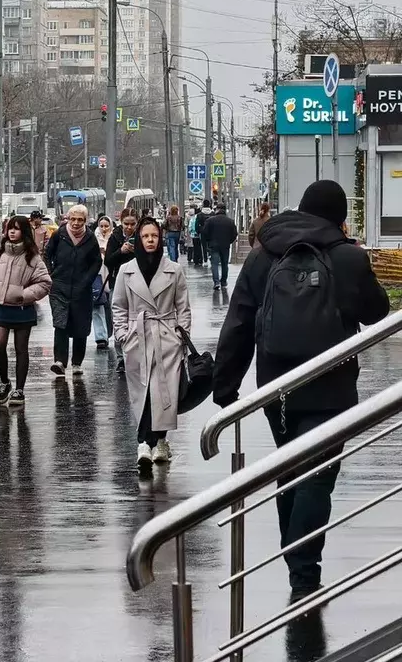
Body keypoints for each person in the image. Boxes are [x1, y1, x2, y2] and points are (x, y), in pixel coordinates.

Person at [212, 179, 390, 601]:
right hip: (332, 385)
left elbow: (239, 319)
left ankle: (294, 556)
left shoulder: (264, 252)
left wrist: (225, 384)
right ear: (339, 217)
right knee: (318, 477)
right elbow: (378, 310)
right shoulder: (347, 257)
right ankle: (304, 575)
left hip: (277, 387)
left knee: (290, 469)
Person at [112, 217, 192, 471]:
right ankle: (149, 443)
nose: (150, 241)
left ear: (160, 239)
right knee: (143, 392)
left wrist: (181, 336)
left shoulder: (174, 269)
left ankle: (154, 443)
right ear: (138, 239)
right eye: (145, 236)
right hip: (138, 337)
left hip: (167, 337)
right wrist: (123, 335)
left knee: (164, 394)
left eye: (154, 236)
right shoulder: (127, 271)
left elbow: (183, 307)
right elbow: (119, 306)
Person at [0, 215, 52, 406]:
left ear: (24, 232)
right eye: (9, 228)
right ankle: (5, 382)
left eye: (17, 228)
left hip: (22, 309)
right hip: (0, 307)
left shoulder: (33, 257)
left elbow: (45, 283)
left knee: (21, 349)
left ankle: (20, 389)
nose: (12, 232)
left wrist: (24, 294)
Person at [44, 204, 101, 378]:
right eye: (73, 219)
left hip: (81, 290)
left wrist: (86, 281)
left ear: (85, 221)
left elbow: (96, 262)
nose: (76, 223)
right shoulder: (59, 234)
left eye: (80, 220)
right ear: (68, 218)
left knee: (80, 326)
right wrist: (51, 274)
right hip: (59, 287)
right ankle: (60, 361)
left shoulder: (90, 238)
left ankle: (77, 362)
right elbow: (47, 254)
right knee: (60, 323)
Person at [104, 208, 140, 372]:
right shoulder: (115, 237)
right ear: (121, 223)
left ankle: (137, 355)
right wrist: (121, 251)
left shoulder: (142, 236)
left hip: (139, 285)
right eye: (126, 223)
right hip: (118, 283)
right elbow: (108, 261)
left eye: (133, 224)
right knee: (119, 320)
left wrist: (137, 251)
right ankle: (121, 359)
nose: (129, 227)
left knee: (137, 320)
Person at [202, 203, 239, 290]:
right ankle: (223, 281)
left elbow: (204, 232)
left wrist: (209, 241)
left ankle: (216, 282)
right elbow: (234, 234)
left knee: (214, 264)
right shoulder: (230, 221)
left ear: (217, 209)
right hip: (225, 245)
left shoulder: (210, 220)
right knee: (224, 264)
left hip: (213, 245)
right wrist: (229, 241)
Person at [92, 215, 115, 350]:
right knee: (98, 306)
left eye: (106, 226)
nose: (104, 229)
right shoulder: (93, 239)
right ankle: (101, 337)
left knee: (111, 307)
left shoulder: (114, 239)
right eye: (101, 226)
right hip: (97, 276)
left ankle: (110, 331)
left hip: (110, 276)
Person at [196, 199, 214, 264]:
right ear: (209, 205)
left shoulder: (199, 214)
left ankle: (205, 260)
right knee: (211, 245)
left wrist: (198, 232)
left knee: (203, 246)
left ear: (203, 205)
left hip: (203, 232)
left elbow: (197, 224)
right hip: (211, 232)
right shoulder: (213, 213)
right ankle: (211, 256)